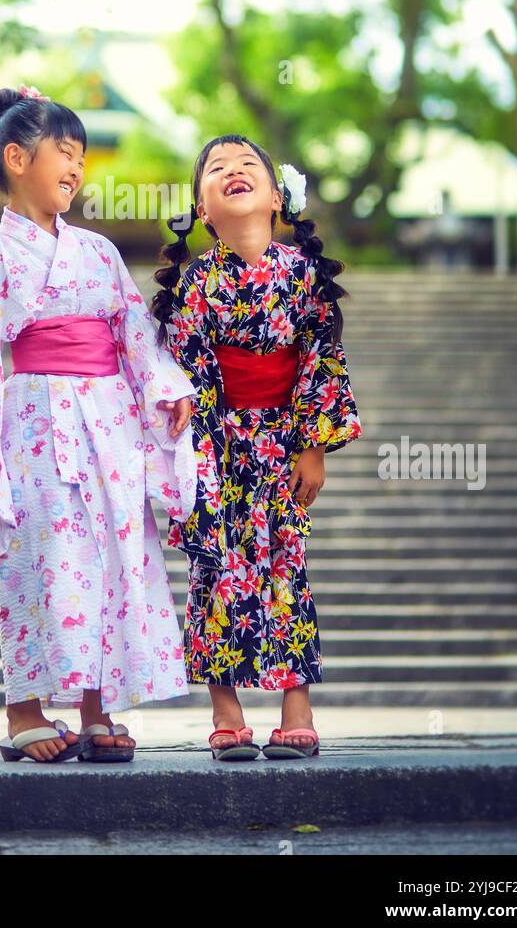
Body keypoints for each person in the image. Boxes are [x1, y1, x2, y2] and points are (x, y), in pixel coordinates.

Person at [0, 84, 198, 764]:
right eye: (64, 154)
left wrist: (164, 385)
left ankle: (99, 708)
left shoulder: (99, 253)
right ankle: (24, 708)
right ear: (17, 158)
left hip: (108, 422)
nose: (75, 168)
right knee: (37, 554)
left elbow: (134, 327)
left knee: (109, 554)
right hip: (35, 420)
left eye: (79, 158)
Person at [151, 135, 363, 760]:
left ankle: (297, 705)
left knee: (286, 564)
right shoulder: (195, 282)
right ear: (202, 209)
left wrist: (313, 446)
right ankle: (227, 711)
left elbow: (322, 357)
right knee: (215, 566)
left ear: (276, 197)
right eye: (217, 170)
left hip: (284, 438)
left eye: (248, 167)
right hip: (215, 441)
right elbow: (187, 374)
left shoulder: (304, 275)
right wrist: (192, 459)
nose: (233, 172)